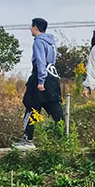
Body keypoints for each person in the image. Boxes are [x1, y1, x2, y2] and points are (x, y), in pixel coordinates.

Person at [14, 18, 63, 149]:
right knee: (54, 108)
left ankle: (27, 139)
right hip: (53, 77)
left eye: (31, 27)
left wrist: (40, 81)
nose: (30, 29)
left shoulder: (38, 42)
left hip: (41, 77)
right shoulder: (52, 43)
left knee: (31, 106)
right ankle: (63, 138)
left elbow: (41, 61)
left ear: (36, 27)